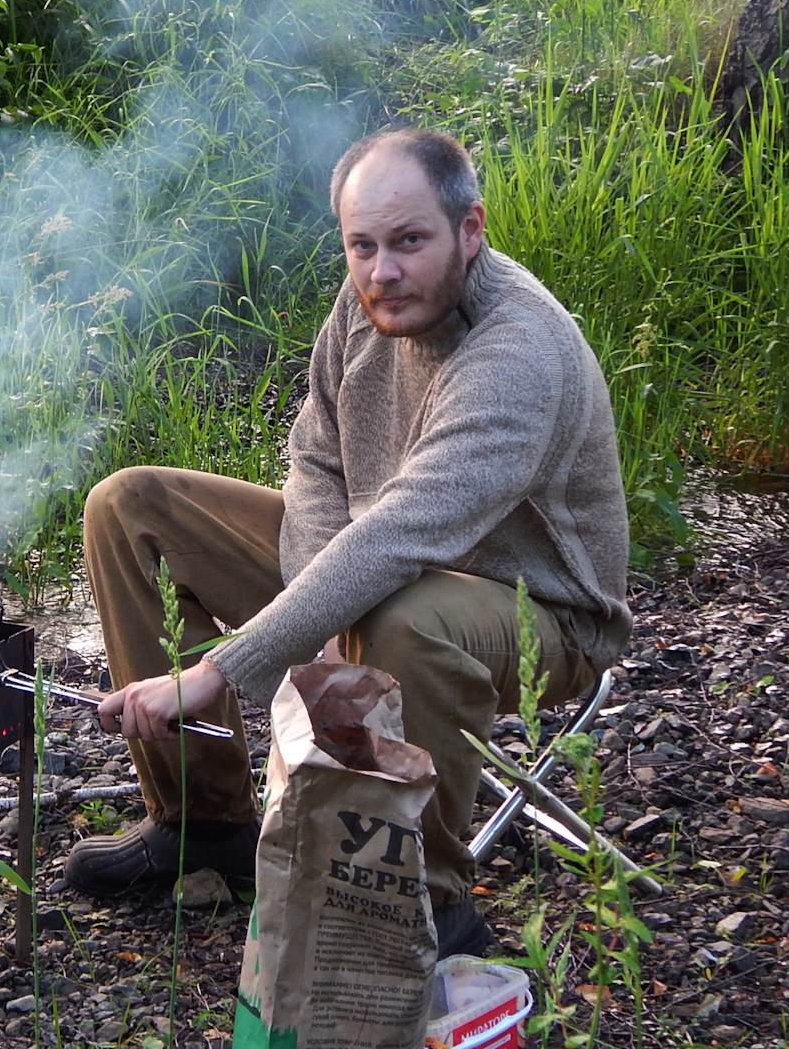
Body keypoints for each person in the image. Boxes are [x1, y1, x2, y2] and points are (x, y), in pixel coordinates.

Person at [66, 127, 632, 956]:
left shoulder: (519, 350)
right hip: (380, 572)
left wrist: (222, 668)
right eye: (361, 246)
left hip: (540, 616)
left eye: (409, 241)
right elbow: (316, 459)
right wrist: (324, 622)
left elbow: (409, 529)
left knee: (404, 615)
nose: (382, 271)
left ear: (469, 230)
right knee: (132, 504)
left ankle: (428, 910)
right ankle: (203, 827)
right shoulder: (366, 301)